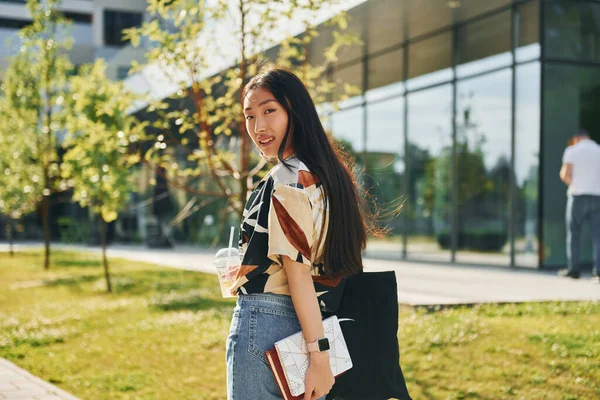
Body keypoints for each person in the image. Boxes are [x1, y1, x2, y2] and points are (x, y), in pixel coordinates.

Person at [225, 67, 370, 400]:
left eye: (269, 110)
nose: (258, 127)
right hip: (311, 322)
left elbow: (297, 273)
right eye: (249, 116)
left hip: (265, 326)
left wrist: (318, 358)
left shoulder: (286, 179)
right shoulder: (326, 177)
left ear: (295, 110)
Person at [559, 130, 600, 283]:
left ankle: (574, 270)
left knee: (574, 234)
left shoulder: (572, 151)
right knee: (598, 237)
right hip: (597, 197)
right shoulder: (599, 151)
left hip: (577, 196)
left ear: (576, 139)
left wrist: (576, 184)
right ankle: (598, 273)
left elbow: (565, 174)